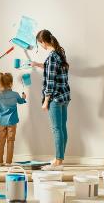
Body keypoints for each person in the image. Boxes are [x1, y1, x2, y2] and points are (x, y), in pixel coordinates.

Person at [31, 29, 70, 170]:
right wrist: (38, 64)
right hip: (64, 96)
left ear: (43, 42)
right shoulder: (60, 52)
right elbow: (53, 69)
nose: (40, 46)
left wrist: (46, 101)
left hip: (55, 98)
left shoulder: (52, 56)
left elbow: (50, 81)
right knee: (62, 128)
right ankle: (60, 158)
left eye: (39, 43)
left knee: (56, 129)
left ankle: (58, 162)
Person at [0, 73, 26, 166]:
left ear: (1, 83)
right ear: (11, 83)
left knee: (1, 141)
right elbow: (21, 101)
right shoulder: (15, 94)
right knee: (10, 141)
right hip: (12, 122)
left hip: (2, 122)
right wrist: (23, 98)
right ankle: (8, 162)